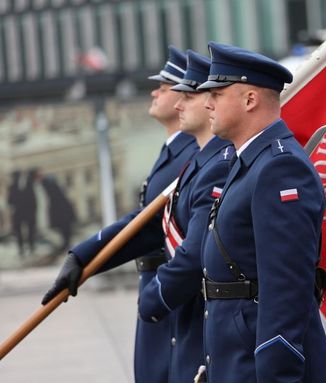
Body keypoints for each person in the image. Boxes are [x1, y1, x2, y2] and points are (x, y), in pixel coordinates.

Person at [41, 46, 199, 383]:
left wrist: (85, 255)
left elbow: (148, 222)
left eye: (166, 86)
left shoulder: (192, 152)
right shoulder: (175, 149)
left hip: (171, 291)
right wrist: (82, 256)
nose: (155, 92)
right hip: (155, 281)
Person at [197, 41, 326, 382]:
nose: (207, 102)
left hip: (261, 364)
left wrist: (277, 373)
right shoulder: (251, 161)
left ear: (250, 99)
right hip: (236, 356)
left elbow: (285, 287)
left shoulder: (280, 167)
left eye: (217, 92)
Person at [137, 49, 234, 381]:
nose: (177, 103)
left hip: (195, 301)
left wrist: (156, 294)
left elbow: (194, 251)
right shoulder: (199, 160)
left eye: (187, 95)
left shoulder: (216, 162)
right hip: (178, 295)